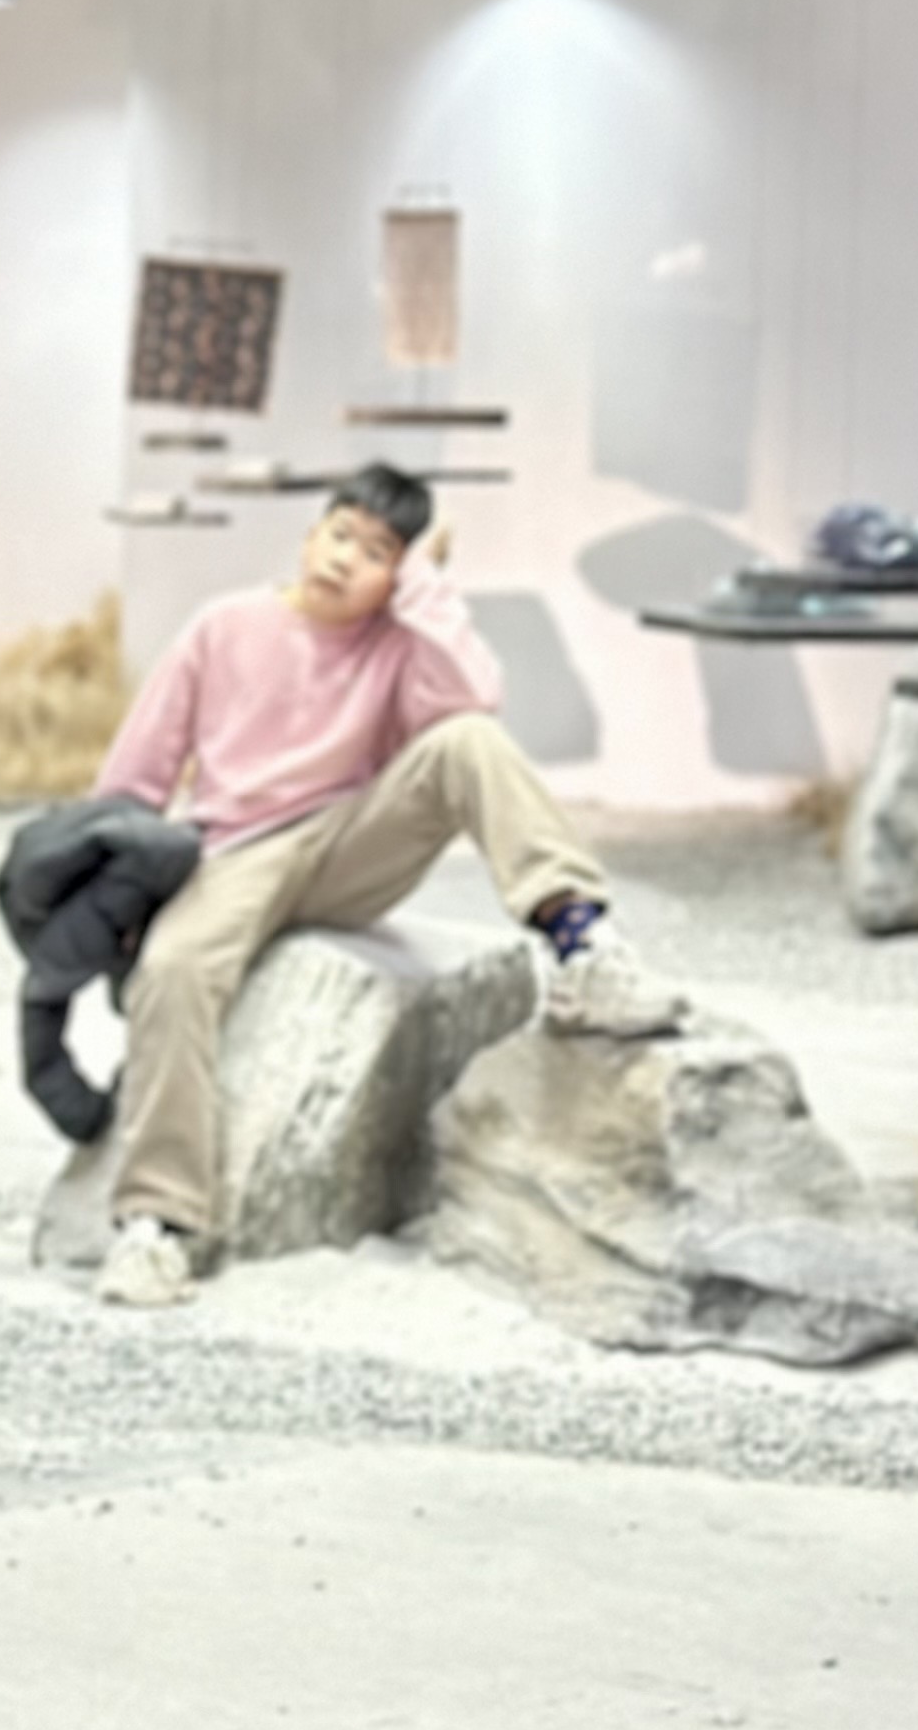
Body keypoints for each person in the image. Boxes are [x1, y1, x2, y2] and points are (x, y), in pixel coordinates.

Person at [86, 462, 681, 1310]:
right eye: (339, 535)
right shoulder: (225, 626)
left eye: (376, 554)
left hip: (349, 845)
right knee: (175, 971)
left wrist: (426, 587)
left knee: (469, 740)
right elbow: (138, 769)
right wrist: (110, 888)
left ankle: (583, 944)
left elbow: (475, 698)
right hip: (235, 853)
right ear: (310, 534)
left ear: (398, 575)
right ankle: (156, 1226)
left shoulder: (400, 643)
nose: (344, 560)